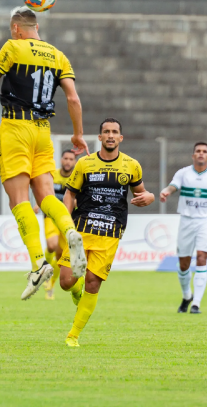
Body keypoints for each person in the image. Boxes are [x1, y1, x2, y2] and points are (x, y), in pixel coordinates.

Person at [0, 6, 89, 301]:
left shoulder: (13, 46)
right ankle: (69, 231)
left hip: (16, 128)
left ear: (17, 28)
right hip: (43, 132)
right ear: (37, 26)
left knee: (19, 200)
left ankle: (38, 263)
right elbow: (73, 97)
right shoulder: (58, 55)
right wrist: (78, 135)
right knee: (46, 198)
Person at [57, 118, 154, 347]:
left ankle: (73, 335)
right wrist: (66, 224)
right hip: (80, 230)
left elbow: (142, 192)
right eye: (106, 132)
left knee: (93, 282)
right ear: (99, 137)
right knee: (65, 282)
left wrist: (148, 196)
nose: (110, 135)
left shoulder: (131, 165)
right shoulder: (84, 164)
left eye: (115, 132)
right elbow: (70, 194)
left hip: (110, 232)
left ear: (121, 138)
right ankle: (75, 289)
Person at [159, 142, 207, 314]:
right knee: (183, 264)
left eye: (204, 151)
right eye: (198, 151)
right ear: (193, 155)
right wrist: (167, 191)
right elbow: (173, 185)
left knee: (201, 258)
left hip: (206, 221)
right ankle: (186, 296)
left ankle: (196, 303)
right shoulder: (183, 173)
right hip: (186, 220)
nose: (201, 154)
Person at [41, 149, 77, 300]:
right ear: (61, 160)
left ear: (74, 162)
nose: (68, 161)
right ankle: (43, 270)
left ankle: (51, 283)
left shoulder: (77, 178)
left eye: (71, 159)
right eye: (66, 158)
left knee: (61, 259)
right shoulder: (52, 175)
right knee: (51, 245)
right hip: (51, 217)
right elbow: (42, 191)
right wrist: (39, 203)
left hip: (68, 220)